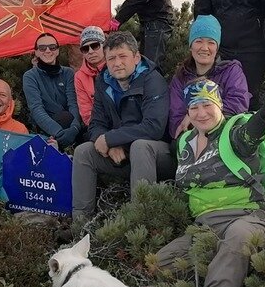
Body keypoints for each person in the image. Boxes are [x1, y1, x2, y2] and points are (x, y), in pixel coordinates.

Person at [156, 79, 265, 287]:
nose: (201, 113)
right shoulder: (185, 142)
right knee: (159, 265)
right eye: (194, 107)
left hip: (248, 216)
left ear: (220, 105)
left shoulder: (232, 131)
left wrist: (264, 117)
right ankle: (219, 272)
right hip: (204, 227)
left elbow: (248, 137)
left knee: (238, 236)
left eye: (207, 104)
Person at [72, 31, 172, 219]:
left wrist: (111, 138)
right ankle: (80, 222)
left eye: (122, 56)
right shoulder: (104, 81)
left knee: (140, 146)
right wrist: (109, 146)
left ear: (136, 57)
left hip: (158, 156)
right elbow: (96, 124)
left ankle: (141, 222)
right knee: (84, 151)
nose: (117, 63)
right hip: (122, 155)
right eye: (111, 58)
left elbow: (154, 127)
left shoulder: (152, 80)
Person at [169, 15, 250, 139]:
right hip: (191, 138)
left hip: (225, 135)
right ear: (191, 46)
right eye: (199, 41)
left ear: (217, 47)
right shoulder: (180, 78)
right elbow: (176, 118)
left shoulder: (231, 71)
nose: (205, 48)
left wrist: (198, 117)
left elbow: (238, 102)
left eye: (211, 42)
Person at [22, 33, 82, 148]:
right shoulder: (30, 76)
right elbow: (36, 109)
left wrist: (75, 128)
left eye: (52, 47)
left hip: (71, 124)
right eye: (42, 48)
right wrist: (59, 133)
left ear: (58, 50)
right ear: (36, 52)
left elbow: (73, 103)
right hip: (47, 129)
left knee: (68, 117)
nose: (48, 51)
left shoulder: (68, 73)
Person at [73, 26, 107, 127]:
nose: (90, 51)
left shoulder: (115, 66)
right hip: (98, 126)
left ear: (104, 46)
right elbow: (86, 111)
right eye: (85, 48)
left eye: (95, 46)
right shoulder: (79, 76)